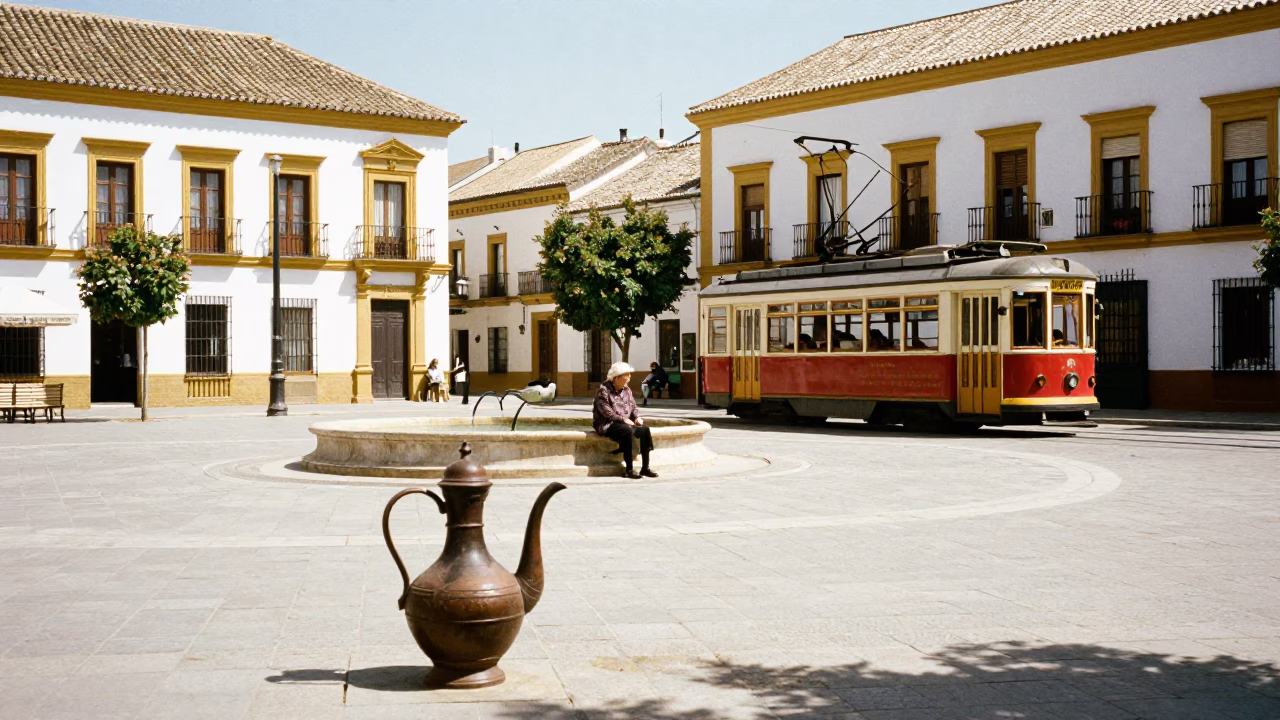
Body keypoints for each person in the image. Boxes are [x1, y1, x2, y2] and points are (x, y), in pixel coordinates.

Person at [593, 361, 656, 479]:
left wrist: (637, 417)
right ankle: (629, 470)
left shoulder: (627, 390)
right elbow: (607, 412)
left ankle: (645, 468)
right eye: (627, 375)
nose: (629, 377)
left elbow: (633, 407)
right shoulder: (603, 391)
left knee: (644, 429)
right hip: (608, 424)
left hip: (624, 422)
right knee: (626, 430)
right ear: (617, 377)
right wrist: (623, 419)